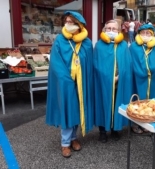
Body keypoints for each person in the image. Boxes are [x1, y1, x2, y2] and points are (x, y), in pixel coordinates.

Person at [46, 11, 94, 158]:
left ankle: (74, 138)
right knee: (67, 111)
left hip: (81, 83)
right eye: (66, 22)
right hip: (65, 83)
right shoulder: (60, 41)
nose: (68, 24)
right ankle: (65, 143)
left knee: (78, 111)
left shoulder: (86, 43)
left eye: (72, 22)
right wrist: (65, 79)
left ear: (79, 25)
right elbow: (55, 62)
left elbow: (89, 64)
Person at [93, 20, 133, 143]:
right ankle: (103, 131)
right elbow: (96, 65)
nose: (111, 31)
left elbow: (127, 63)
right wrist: (109, 77)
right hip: (103, 83)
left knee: (116, 104)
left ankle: (115, 129)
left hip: (119, 83)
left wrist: (120, 76)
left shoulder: (123, 45)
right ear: (104, 30)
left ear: (119, 31)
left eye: (114, 29)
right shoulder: (99, 45)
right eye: (108, 28)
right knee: (103, 104)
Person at [129, 24, 155, 133]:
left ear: (152, 34)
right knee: (137, 100)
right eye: (143, 33)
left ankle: (149, 121)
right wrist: (141, 71)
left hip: (154, 79)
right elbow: (131, 62)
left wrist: (152, 69)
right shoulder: (133, 47)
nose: (145, 35)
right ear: (139, 34)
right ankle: (136, 123)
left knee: (151, 101)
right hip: (137, 78)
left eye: (148, 33)